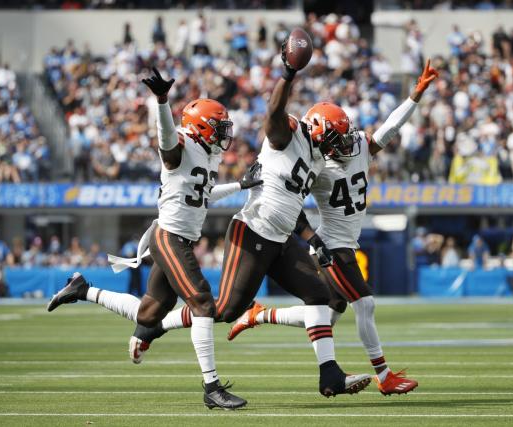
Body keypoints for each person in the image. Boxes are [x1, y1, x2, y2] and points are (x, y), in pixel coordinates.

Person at [128, 39, 372, 398]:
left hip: (283, 235)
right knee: (223, 310)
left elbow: (290, 201)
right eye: (333, 137)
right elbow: (273, 113)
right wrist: (288, 74)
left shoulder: (320, 160)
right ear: (317, 130)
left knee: (321, 295)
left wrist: (312, 237)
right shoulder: (288, 135)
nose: (338, 145)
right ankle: (156, 327)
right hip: (253, 231)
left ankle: (330, 375)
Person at [46, 68, 263, 410]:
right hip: (169, 237)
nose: (225, 135)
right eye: (219, 128)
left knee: (149, 314)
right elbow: (165, 141)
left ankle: (82, 288)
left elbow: (203, 195)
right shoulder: (180, 146)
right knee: (203, 303)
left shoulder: (208, 155)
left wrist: (241, 186)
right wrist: (161, 101)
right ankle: (212, 387)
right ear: (202, 128)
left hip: (179, 238)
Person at [226, 60, 438, 397]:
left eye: (345, 136)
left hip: (345, 243)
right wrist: (311, 238)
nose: (344, 143)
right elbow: (290, 201)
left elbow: (389, 129)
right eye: (336, 138)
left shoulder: (358, 147)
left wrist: (414, 96)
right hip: (331, 246)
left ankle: (259, 314)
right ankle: (384, 376)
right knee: (365, 304)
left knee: (323, 316)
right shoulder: (315, 165)